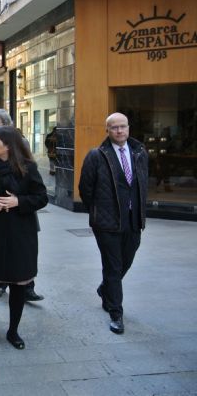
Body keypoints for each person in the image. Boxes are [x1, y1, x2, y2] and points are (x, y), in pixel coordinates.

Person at [0, 126, 48, 350]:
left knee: (19, 282)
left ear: (8, 145)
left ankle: (13, 330)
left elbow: (41, 197)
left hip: (20, 235)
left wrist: (19, 202)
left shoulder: (28, 168)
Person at [79, 112, 148, 335]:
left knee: (126, 260)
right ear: (107, 130)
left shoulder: (139, 153)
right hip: (107, 223)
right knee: (113, 265)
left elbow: (142, 186)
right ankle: (116, 313)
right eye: (114, 127)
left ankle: (105, 289)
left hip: (133, 220)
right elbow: (85, 189)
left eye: (123, 126)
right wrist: (99, 212)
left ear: (129, 128)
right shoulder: (96, 156)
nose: (119, 131)